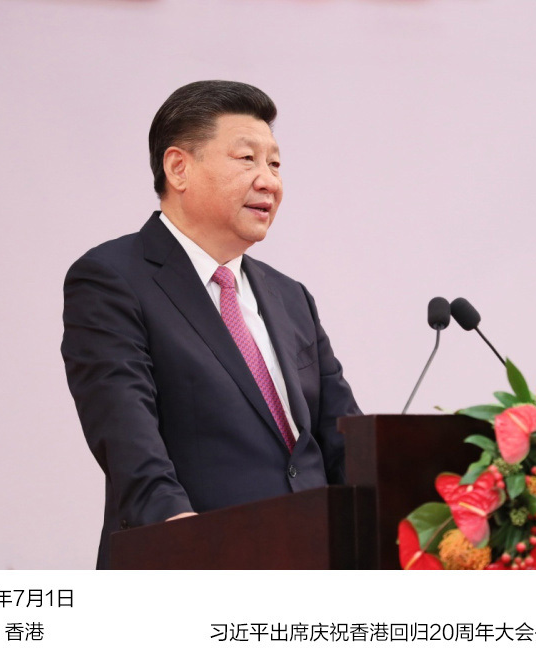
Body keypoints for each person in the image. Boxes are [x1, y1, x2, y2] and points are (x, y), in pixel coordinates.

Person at [61, 80, 360, 569]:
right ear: (179, 168)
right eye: (247, 159)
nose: (269, 182)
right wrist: (184, 537)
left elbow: (342, 441)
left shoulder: (290, 298)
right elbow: (127, 437)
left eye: (275, 164)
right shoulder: (112, 279)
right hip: (192, 567)